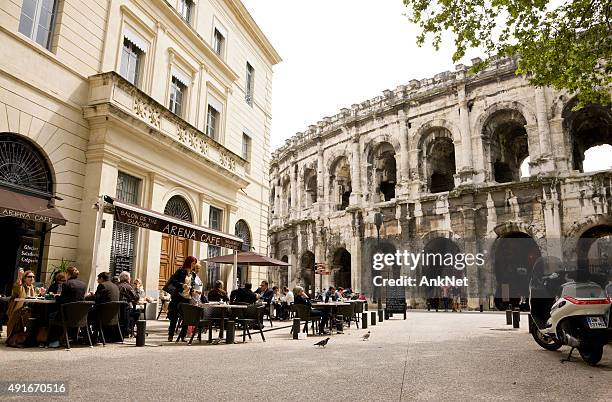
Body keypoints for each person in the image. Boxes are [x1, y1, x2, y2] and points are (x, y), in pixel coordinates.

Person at [48, 266, 86, 347]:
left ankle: (54, 341)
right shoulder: (83, 284)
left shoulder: (67, 284)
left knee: (51, 315)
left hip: (66, 315)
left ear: (68, 274)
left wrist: (56, 297)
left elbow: (62, 299)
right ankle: (70, 337)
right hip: (79, 315)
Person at [167, 256, 197, 341]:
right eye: (193, 263)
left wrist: (193, 290)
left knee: (186, 317)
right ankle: (171, 335)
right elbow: (172, 280)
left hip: (187, 298)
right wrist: (181, 285)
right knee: (174, 317)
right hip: (178, 297)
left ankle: (183, 336)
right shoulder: (181, 271)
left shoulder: (193, 274)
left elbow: (192, 285)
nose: (194, 265)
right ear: (189, 263)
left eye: (195, 263)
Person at [6, 269, 37, 339]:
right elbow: (17, 287)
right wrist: (19, 277)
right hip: (18, 309)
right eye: (29, 277)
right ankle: (13, 338)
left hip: (28, 308)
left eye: (33, 277)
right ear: (25, 278)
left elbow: (34, 298)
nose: (32, 278)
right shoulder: (21, 286)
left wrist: (41, 294)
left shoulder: (32, 287)